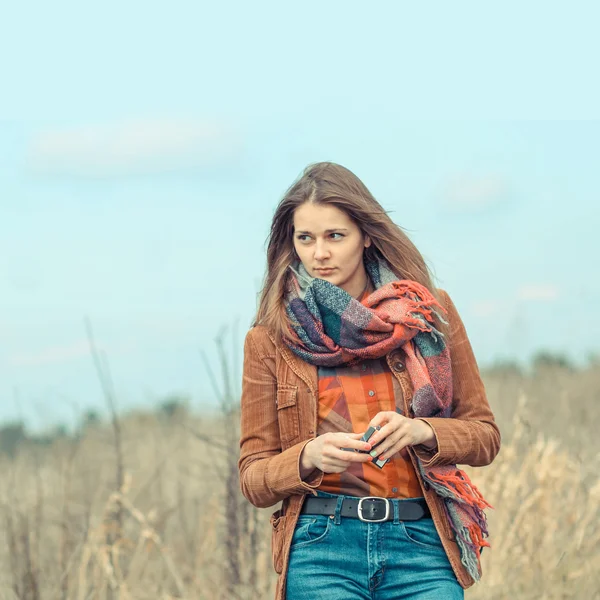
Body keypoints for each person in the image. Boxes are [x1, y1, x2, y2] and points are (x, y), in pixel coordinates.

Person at [238, 162, 501, 600]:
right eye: (306, 238)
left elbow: (485, 436)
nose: (319, 253)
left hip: (421, 546)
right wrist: (308, 456)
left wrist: (423, 430)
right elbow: (253, 477)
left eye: (334, 236)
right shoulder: (270, 338)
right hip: (322, 548)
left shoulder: (428, 315)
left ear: (366, 235)